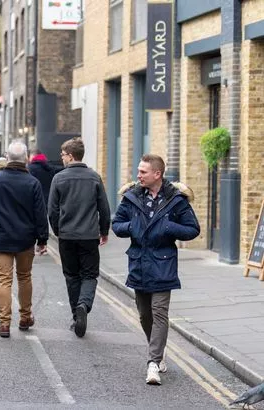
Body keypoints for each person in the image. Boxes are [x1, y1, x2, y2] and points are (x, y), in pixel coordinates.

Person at [112, 154, 200, 385]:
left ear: (157, 174)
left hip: (163, 262)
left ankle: (153, 362)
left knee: (159, 312)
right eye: (139, 171)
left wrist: (169, 227)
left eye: (143, 172)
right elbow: (116, 225)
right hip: (139, 262)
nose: (138, 175)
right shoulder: (131, 197)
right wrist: (132, 226)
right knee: (144, 314)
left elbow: (192, 229)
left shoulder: (176, 200)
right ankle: (158, 351)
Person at [0, 141, 48, 338]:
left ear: (7, 158)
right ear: (26, 159)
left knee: (4, 280)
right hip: (26, 240)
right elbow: (40, 214)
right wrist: (42, 239)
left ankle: (4, 323)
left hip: (2, 239)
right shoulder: (32, 183)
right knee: (24, 277)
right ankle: (25, 317)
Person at [48, 137, 110, 338]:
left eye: (63, 155)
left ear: (71, 156)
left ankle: (77, 314)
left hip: (67, 235)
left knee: (72, 276)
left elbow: (52, 210)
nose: (62, 158)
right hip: (89, 235)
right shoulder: (94, 177)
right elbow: (104, 208)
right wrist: (104, 230)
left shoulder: (59, 178)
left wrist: (58, 230)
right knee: (90, 274)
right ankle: (84, 304)